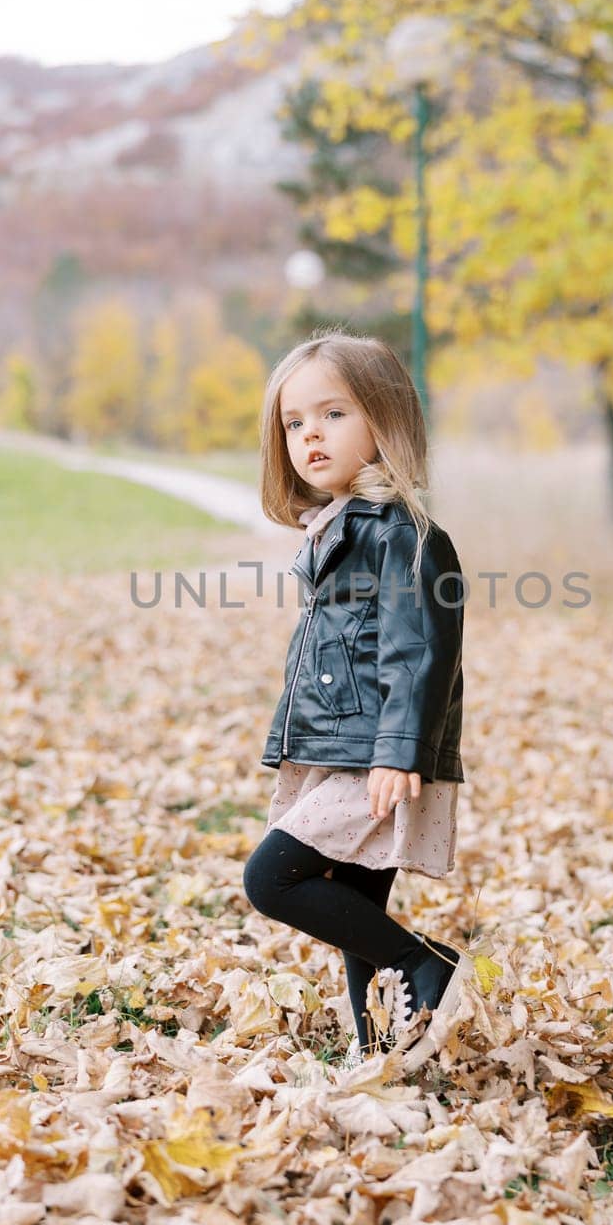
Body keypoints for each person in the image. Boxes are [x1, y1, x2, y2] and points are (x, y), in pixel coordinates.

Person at [242, 329, 479, 1071]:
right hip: (336, 744)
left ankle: (427, 964)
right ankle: (378, 1049)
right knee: (356, 908)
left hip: (373, 752)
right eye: (294, 423)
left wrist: (399, 750)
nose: (310, 433)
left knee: (272, 878)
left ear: (386, 420)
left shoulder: (403, 534)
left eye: (333, 414)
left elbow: (420, 651)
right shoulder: (337, 527)